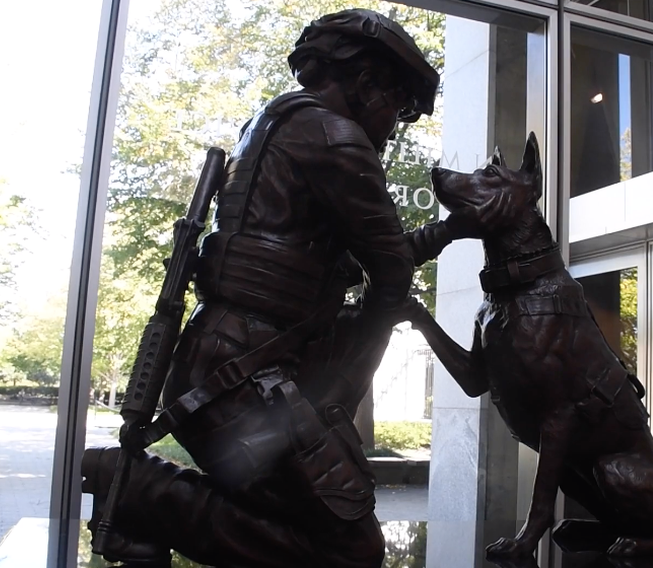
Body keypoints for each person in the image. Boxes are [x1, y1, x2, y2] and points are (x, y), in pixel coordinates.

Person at [82, 9, 490, 568]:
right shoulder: (339, 140)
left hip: (224, 365)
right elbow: (390, 272)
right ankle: (139, 491)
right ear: (367, 83)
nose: (394, 127)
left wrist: (446, 230)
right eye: (396, 107)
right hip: (251, 381)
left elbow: (356, 258)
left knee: (302, 527)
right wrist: (347, 374)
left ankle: (146, 495)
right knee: (349, 549)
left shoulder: (271, 125)